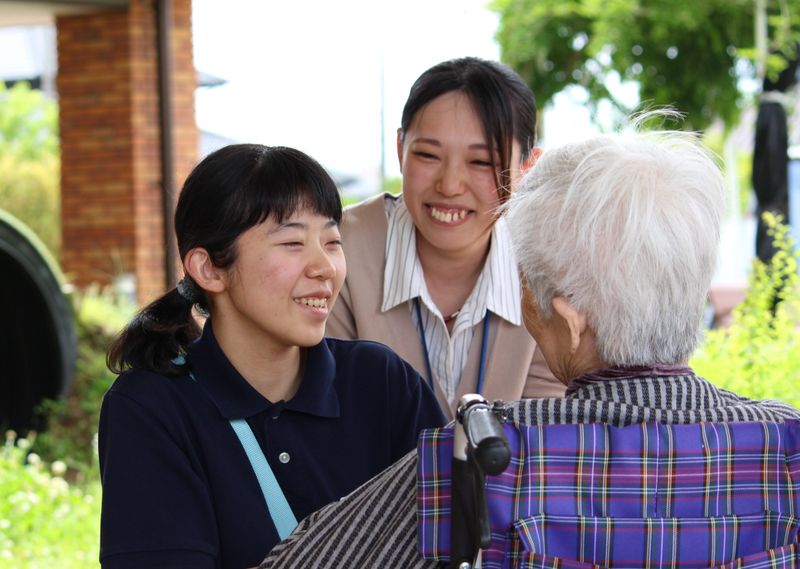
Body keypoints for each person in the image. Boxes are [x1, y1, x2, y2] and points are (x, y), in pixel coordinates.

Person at [258, 120, 800, 568]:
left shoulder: (484, 455)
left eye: (528, 288)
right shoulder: (787, 445)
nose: (522, 302)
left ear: (569, 321)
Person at [98, 144, 446, 569]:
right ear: (209, 269)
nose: (325, 267)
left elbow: (451, 542)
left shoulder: (381, 382)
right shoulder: (151, 408)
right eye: (293, 242)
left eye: (333, 241)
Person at [327, 57, 564, 418]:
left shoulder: (554, 267)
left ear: (527, 166)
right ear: (400, 149)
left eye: (481, 162)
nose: (450, 185)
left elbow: (545, 432)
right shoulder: (337, 249)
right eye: (427, 155)